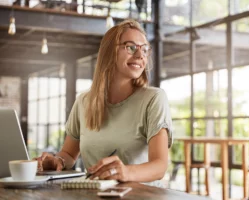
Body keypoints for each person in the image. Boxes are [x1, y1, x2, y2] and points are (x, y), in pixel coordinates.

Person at [35, 19, 173, 187]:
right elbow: (69, 154)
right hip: (95, 195)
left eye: (144, 49)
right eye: (131, 47)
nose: (140, 55)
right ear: (109, 52)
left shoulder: (154, 99)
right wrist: (57, 161)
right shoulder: (83, 102)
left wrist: (124, 172)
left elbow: (160, 166)